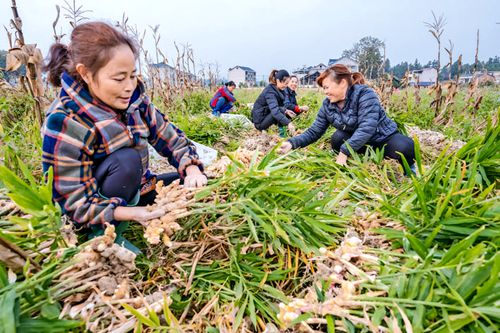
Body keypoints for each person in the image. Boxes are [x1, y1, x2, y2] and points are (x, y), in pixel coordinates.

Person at [42, 22, 207, 239]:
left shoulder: (135, 103)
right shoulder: (66, 121)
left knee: (199, 185)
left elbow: (172, 139)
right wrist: (129, 213)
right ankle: (102, 232)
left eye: (132, 75)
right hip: (94, 208)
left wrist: (192, 169)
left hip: (139, 189)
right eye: (119, 78)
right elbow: (71, 203)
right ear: (86, 74)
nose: (129, 86)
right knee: (126, 162)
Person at [279, 64, 415, 172]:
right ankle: (355, 157)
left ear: (343, 83)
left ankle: (410, 170)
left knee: (406, 146)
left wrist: (344, 151)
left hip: (381, 138)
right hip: (359, 143)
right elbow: (314, 131)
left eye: (326, 87)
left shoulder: (365, 94)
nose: (325, 92)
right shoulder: (328, 105)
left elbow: (367, 127)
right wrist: (292, 143)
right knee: (337, 138)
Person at [251, 69, 296, 137]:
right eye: (285, 83)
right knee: (278, 112)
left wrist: (286, 111)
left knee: (281, 111)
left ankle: (282, 133)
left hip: (265, 116)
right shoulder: (270, 92)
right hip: (260, 123)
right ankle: (282, 135)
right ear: (278, 81)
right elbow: (275, 111)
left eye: (287, 83)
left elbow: (275, 107)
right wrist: (288, 123)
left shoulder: (279, 89)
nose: (286, 86)